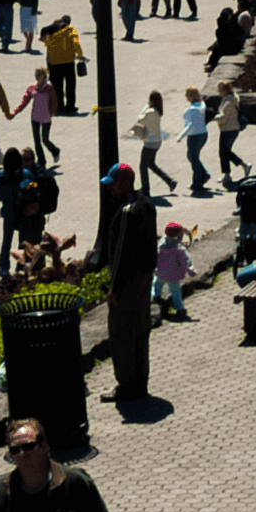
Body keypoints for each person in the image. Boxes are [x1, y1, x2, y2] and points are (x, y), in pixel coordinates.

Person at [99, 163, 157, 404]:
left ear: (124, 184)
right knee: (141, 331)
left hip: (127, 283)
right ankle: (140, 382)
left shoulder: (126, 212)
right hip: (144, 277)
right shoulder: (146, 204)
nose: (110, 188)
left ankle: (125, 384)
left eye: (113, 183)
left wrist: (113, 288)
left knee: (121, 334)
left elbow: (120, 252)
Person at [132, 90, 177, 197]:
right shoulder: (157, 111)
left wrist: (145, 106)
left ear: (151, 100)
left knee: (143, 166)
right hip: (157, 141)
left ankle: (145, 189)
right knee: (151, 164)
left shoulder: (150, 111)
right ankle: (170, 181)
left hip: (149, 143)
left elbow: (140, 119)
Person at [11, 69, 60, 166]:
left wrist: (51, 113)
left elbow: (54, 101)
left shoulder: (49, 87)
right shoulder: (32, 87)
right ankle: (41, 161)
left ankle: (55, 151)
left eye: (39, 74)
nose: (37, 76)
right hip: (35, 117)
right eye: (36, 74)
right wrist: (15, 111)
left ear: (44, 75)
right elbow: (24, 101)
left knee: (45, 140)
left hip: (46, 117)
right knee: (37, 141)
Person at [0, 149, 27, 281]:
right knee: (22, 242)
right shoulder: (24, 175)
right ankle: (21, 266)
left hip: (8, 213)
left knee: (6, 241)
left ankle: (4, 268)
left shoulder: (1, 177)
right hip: (22, 213)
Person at [41, 17, 85, 114]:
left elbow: (47, 43)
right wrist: (80, 55)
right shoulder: (70, 31)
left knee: (57, 86)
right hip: (68, 62)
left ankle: (58, 106)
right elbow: (76, 43)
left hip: (54, 63)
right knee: (70, 85)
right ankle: (70, 106)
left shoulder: (52, 33)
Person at [153, 222, 194, 318]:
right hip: (173, 275)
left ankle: (156, 296)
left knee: (157, 283)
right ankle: (179, 309)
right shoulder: (179, 248)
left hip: (160, 272)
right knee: (175, 292)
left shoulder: (161, 243)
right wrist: (191, 271)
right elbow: (186, 261)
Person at [215, 79, 251, 185]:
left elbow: (223, 118)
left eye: (219, 90)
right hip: (234, 129)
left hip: (227, 129)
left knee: (223, 152)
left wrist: (211, 118)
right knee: (227, 151)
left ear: (224, 90)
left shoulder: (228, 103)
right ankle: (244, 166)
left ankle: (227, 175)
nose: (218, 92)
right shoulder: (234, 97)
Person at [178, 85, 212, 192]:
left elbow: (190, 125)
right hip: (203, 134)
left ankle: (197, 183)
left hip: (194, 136)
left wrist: (181, 136)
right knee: (192, 157)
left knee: (193, 158)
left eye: (187, 95)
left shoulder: (192, 110)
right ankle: (204, 174)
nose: (186, 97)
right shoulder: (202, 104)